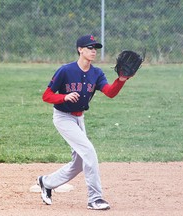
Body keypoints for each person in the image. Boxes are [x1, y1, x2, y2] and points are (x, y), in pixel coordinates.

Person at [37, 34, 128, 210]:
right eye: (89, 47)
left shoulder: (96, 73)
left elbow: (109, 92)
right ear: (80, 49)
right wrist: (64, 97)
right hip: (63, 118)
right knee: (89, 151)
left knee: (79, 163)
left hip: (79, 118)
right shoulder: (65, 70)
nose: (93, 51)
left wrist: (121, 80)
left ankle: (46, 182)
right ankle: (95, 198)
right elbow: (46, 96)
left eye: (95, 48)